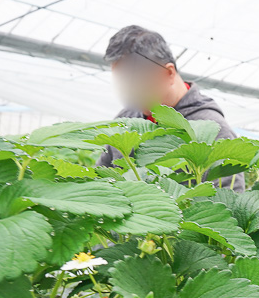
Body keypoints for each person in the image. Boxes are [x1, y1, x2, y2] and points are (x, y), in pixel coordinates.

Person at [97, 25, 244, 192]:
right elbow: (100, 185)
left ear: (168, 73)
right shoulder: (124, 121)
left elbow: (227, 203)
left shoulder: (214, 130)